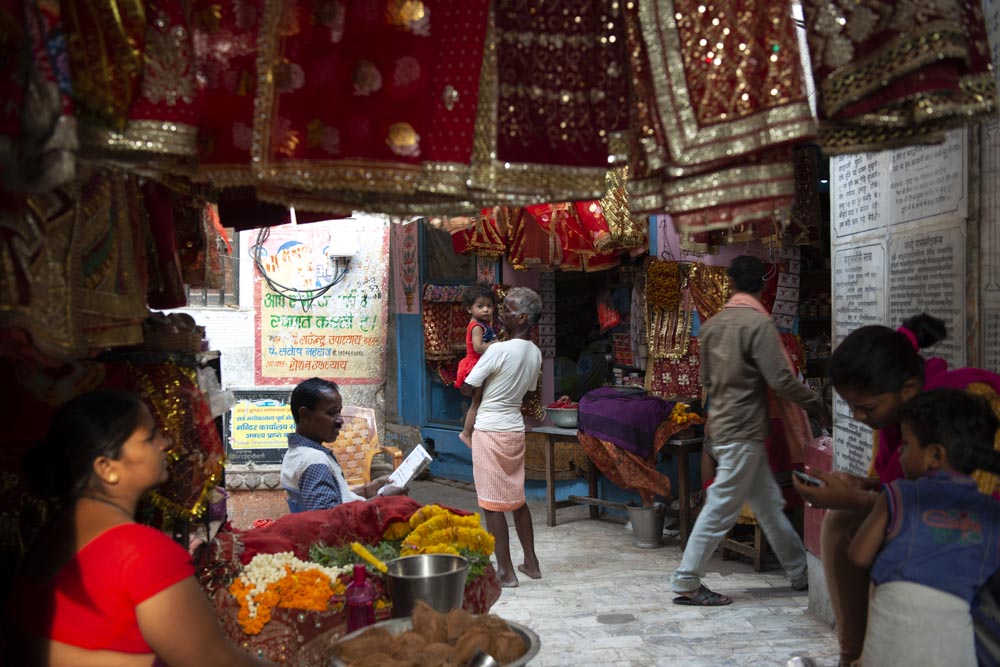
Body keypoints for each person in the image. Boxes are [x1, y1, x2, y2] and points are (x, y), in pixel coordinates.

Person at [5, 390, 276, 667]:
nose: (166, 443)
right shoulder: (139, 551)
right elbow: (216, 661)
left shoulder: (54, 532)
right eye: (150, 437)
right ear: (106, 468)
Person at [793, 313, 1000, 667]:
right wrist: (863, 487)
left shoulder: (963, 406)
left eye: (866, 407)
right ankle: (853, 655)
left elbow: (965, 502)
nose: (858, 417)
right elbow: (905, 484)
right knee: (843, 518)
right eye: (852, 407)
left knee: (871, 534)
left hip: (974, 541)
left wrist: (861, 498)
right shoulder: (902, 418)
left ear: (906, 389)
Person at [671, 255, 828, 606]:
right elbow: (781, 380)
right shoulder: (759, 325)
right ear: (762, 286)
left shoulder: (712, 326)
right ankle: (686, 579)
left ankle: (800, 572)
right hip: (744, 429)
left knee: (769, 506)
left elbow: (707, 381)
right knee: (722, 506)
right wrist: (815, 402)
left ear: (732, 284)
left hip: (725, 425)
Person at [847, 389, 1000, 666]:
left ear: (934, 456)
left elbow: (858, 555)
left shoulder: (898, 494)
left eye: (905, 444)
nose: (900, 452)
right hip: (954, 645)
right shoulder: (992, 513)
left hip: (891, 640)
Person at [460, 286, 543, 588]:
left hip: (491, 429)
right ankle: (531, 562)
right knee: (516, 499)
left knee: (492, 504)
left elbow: (468, 387)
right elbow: (529, 390)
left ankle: (505, 571)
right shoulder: (534, 352)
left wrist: (477, 384)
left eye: (506, 309)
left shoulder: (497, 350)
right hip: (514, 428)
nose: (500, 313)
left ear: (521, 318)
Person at [280, 378, 405, 513]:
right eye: (331, 413)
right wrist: (382, 499)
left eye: (339, 412)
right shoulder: (315, 462)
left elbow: (336, 500)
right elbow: (328, 520)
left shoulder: (297, 453)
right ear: (305, 415)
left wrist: (367, 491)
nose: (340, 420)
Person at [456, 283, 498, 448]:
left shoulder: (483, 324)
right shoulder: (476, 327)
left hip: (480, 364)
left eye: (489, 305)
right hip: (476, 366)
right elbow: (478, 347)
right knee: (476, 402)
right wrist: (496, 345)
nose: (486, 310)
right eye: (480, 306)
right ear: (469, 309)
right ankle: (466, 433)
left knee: (480, 401)